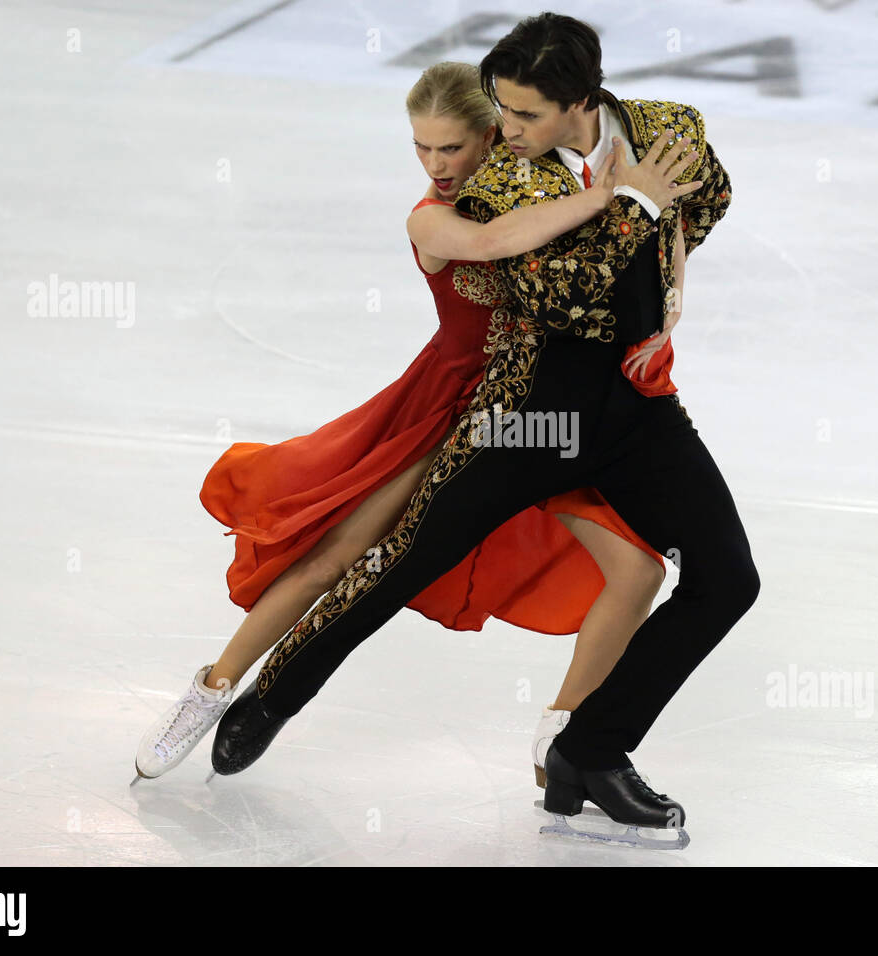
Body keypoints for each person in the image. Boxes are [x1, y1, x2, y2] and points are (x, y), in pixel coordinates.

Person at [212, 12, 760, 847]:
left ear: (581, 99)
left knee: (728, 578)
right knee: (404, 564)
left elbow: (711, 196)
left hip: (636, 410)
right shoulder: (501, 181)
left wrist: (664, 260)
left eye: (524, 115)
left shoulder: (667, 128)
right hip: (528, 413)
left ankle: (592, 748)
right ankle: (276, 694)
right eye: (499, 111)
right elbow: (562, 296)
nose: (502, 131)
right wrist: (634, 204)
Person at [133, 60, 687, 789]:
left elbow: (652, 245)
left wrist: (671, 279)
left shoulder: (554, 187)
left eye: (452, 148)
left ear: (496, 136)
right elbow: (496, 243)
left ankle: (566, 737)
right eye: (421, 149)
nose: (437, 165)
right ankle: (212, 689)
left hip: (549, 413)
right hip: (447, 407)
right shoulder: (434, 217)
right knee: (340, 555)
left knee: (638, 568)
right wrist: (615, 196)